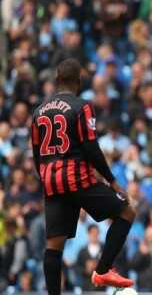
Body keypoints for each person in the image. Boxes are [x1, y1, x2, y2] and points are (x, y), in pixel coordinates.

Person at [31, 58, 136, 294]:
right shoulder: (81, 106)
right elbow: (90, 148)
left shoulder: (38, 112)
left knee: (54, 245)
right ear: (79, 81)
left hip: (52, 182)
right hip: (77, 178)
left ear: (57, 80)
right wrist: (112, 180)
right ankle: (103, 270)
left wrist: (47, 179)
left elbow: (37, 154)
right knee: (128, 210)